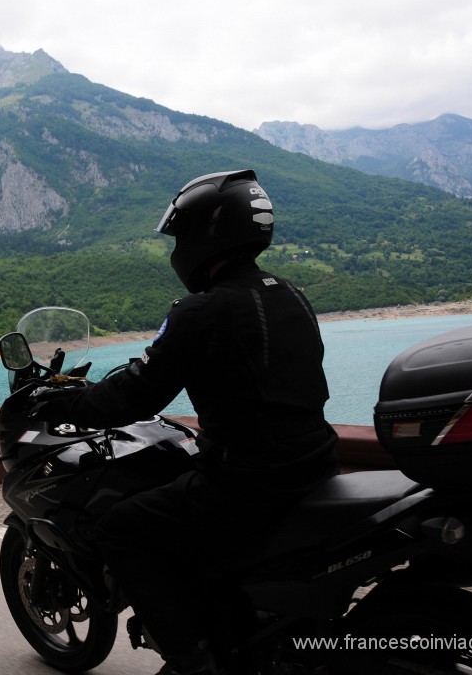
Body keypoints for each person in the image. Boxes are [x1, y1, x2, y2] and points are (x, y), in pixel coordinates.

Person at [32, 170, 338, 675]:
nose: (177, 248)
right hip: (315, 465)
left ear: (205, 235)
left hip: (246, 483)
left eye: (180, 235)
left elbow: (136, 393)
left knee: (121, 529)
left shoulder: (203, 310)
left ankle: (193, 659)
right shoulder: (291, 294)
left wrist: (63, 404)